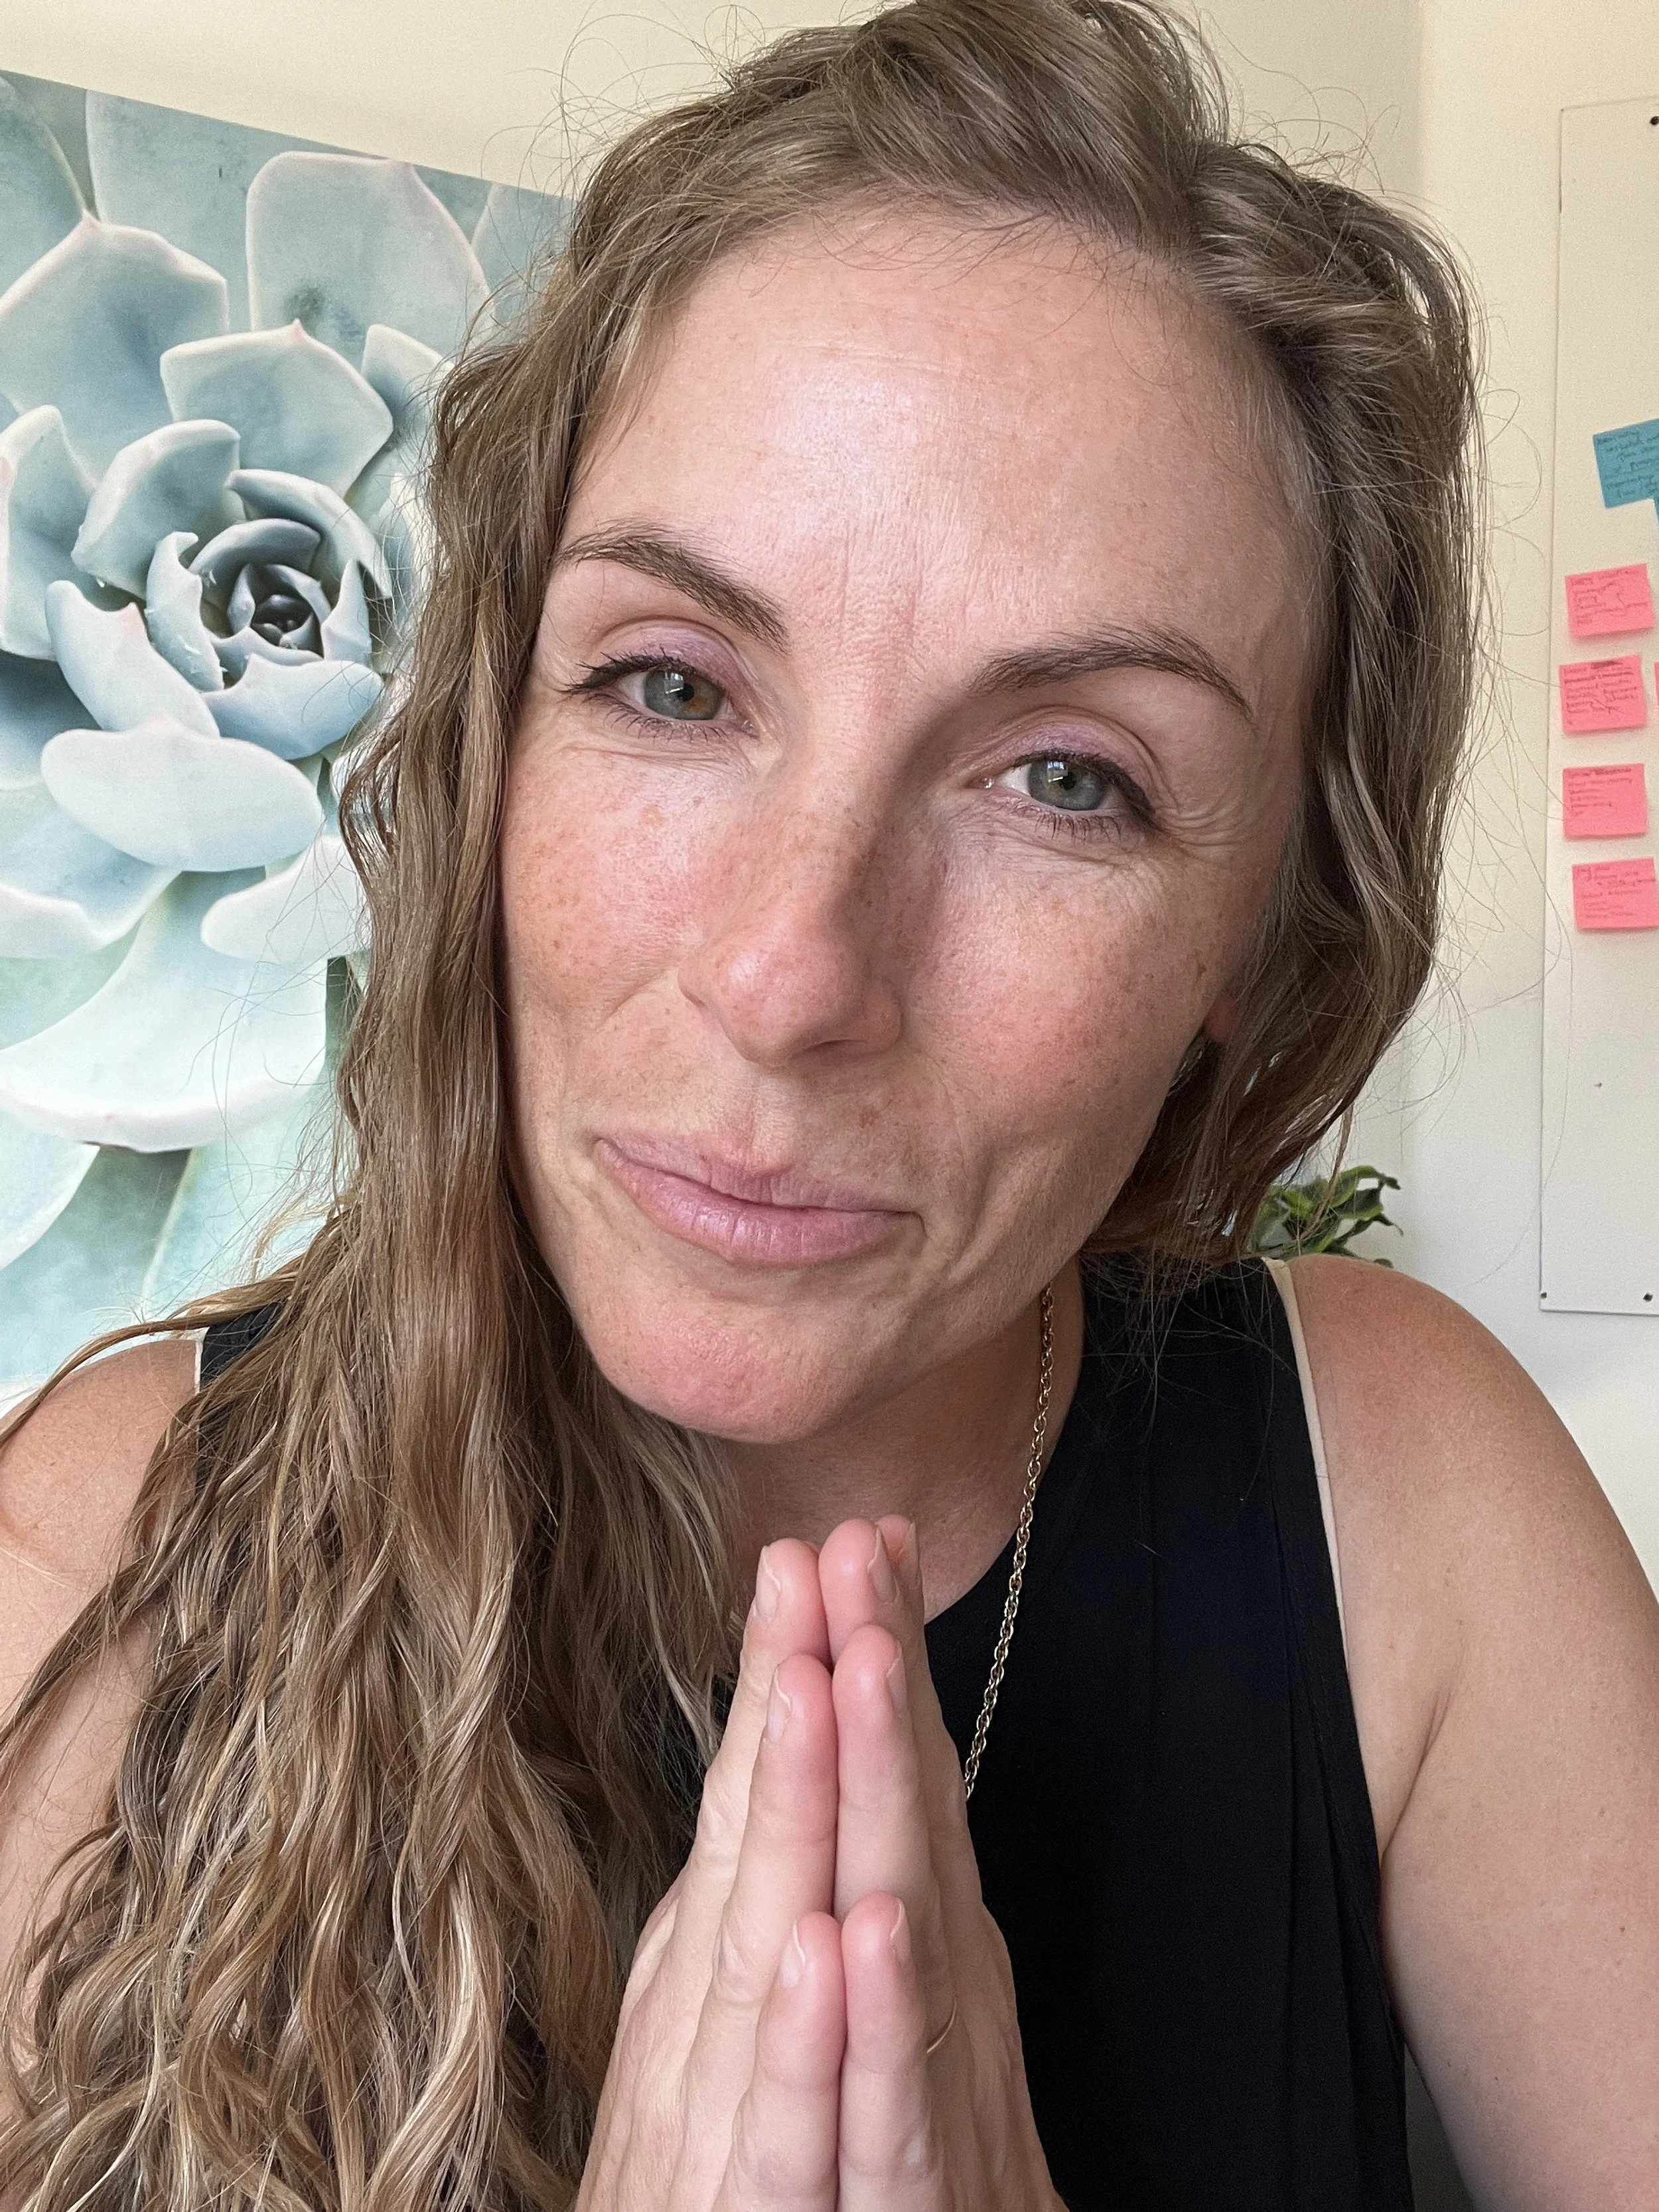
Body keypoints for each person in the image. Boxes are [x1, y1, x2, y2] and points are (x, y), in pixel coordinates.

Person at [3, 1, 1657, 2206]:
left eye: (1068, 777)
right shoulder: (108, 1548)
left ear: (1253, 946)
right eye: (671, 682)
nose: (791, 974)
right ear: (495, 749)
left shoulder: (1409, 1500)